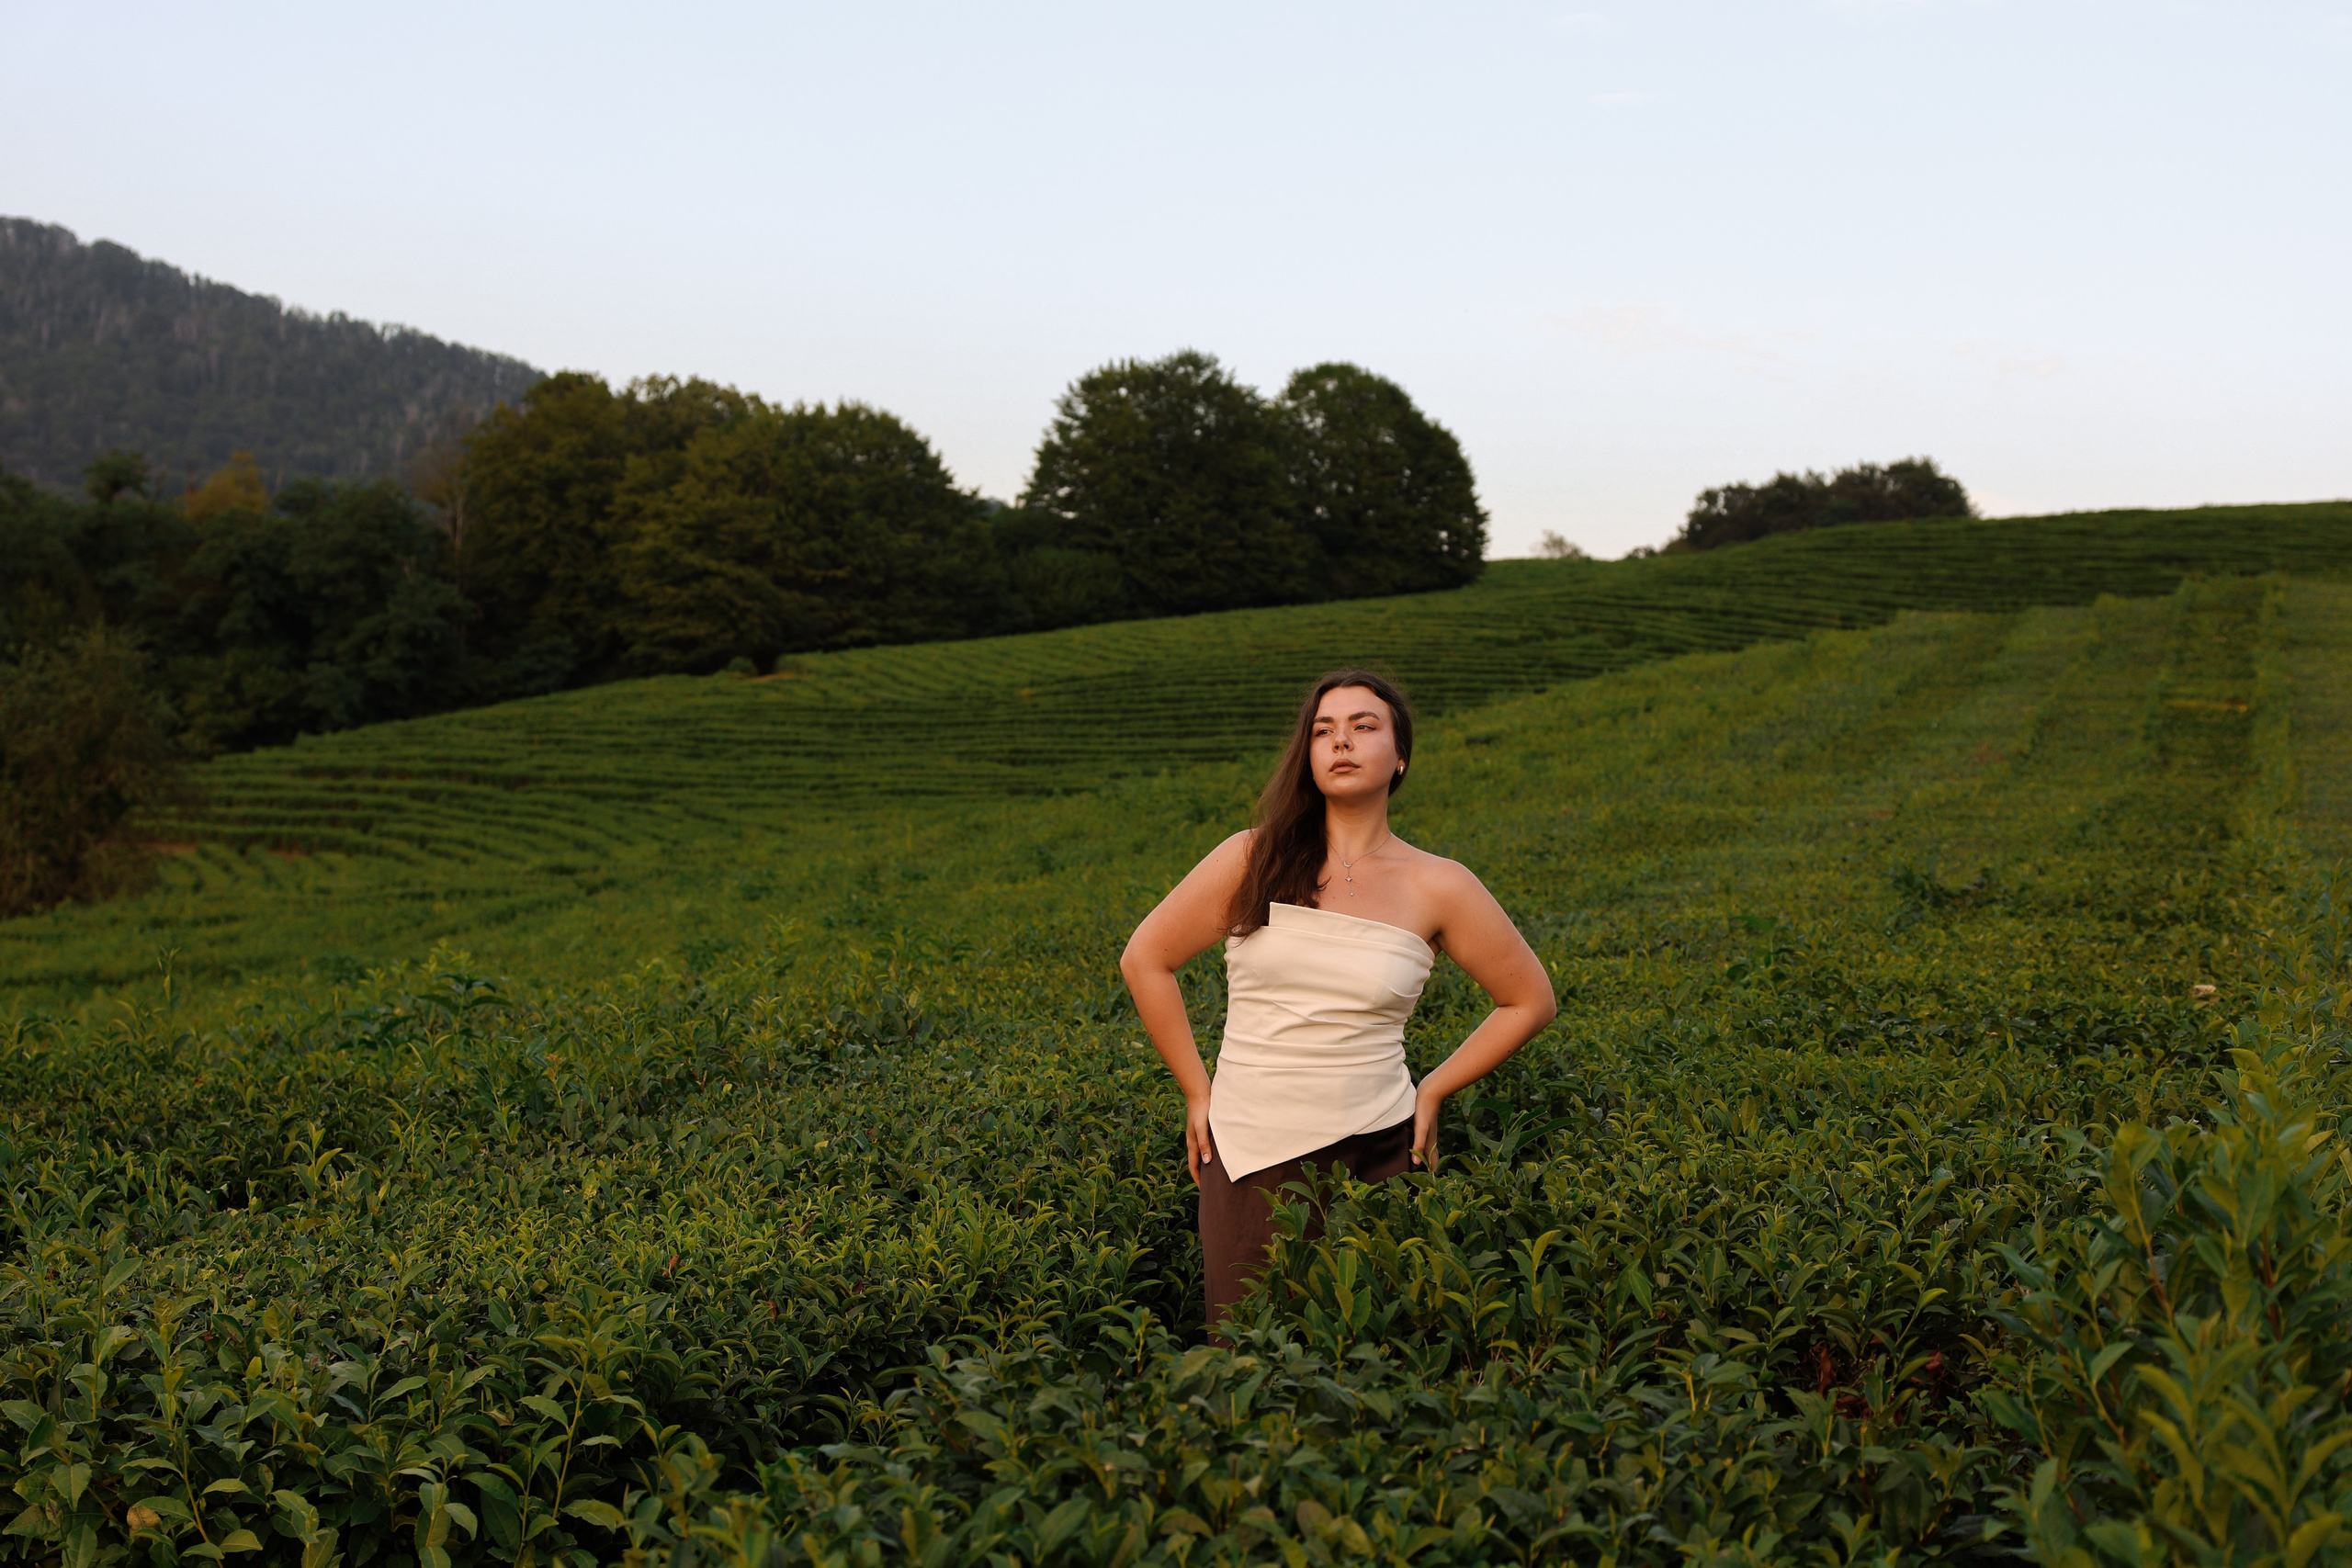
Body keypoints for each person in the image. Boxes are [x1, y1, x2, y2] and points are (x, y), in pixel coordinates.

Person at [1119, 669, 1558, 1333]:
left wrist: (1433, 1090)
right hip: (1250, 1153)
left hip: (1380, 1150)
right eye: (1323, 730)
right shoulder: (1251, 857)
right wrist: (1197, 1089)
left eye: (1363, 726)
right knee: (1252, 1357)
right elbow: (1146, 959)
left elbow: (1529, 999)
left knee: (1375, 1362)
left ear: (1400, 754)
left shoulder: (1440, 884)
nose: (1341, 741)